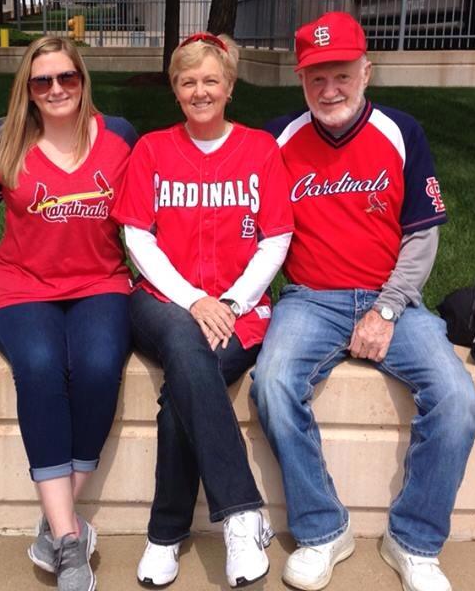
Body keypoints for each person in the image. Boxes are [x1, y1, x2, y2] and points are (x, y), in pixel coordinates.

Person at [251, 11, 475, 591]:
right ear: (301, 81)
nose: (330, 90)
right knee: (273, 384)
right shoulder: (278, 137)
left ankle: (415, 542)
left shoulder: (402, 131)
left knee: (457, 399)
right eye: (315, 78)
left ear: (366, 71)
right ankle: (323, 530)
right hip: (309, 298)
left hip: (394, 300)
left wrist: (387, 308)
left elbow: (423, 234)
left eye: (342, 74)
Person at [112, 32, 295, 588]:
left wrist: (233, 301)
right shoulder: (152, 150)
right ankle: (242, 511)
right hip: (162, 301)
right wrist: (194, 300)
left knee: (184, 392)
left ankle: (165, 533)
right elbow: (137, 237)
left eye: (210, 80)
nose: (200, 90)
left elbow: (276, 236)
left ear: (230, 86)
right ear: (175, 90)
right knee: (189, 349)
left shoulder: (260, 149)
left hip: (242, 308)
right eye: (188, 81)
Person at [0, 36, 137, 591]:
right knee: (42, 367)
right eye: (42, 80)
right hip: (23, 286)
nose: (56, 89)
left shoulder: (118, 137)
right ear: (28, 87)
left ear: (82, 79)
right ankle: (71, 542)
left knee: (97, 367)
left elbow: (141, 220)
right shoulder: (2, 141)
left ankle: (56, 518)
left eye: (66, 77)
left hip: (101, 281)